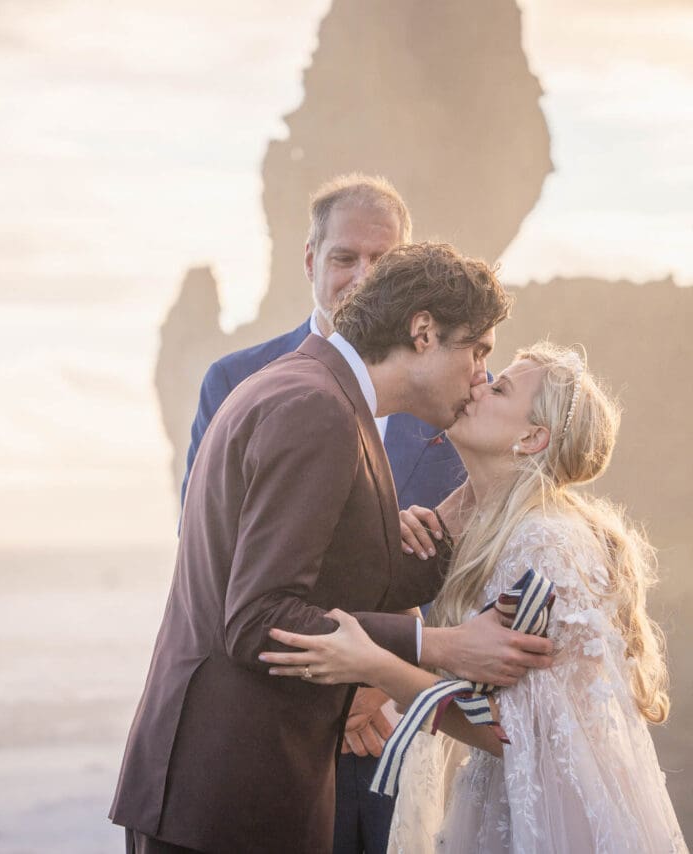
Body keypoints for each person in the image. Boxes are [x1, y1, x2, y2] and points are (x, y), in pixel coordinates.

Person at [110, 242, 555, 854]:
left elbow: (337, 583)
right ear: (423, 332)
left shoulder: (320, 391)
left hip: (235, 793)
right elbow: (259, 621)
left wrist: (475, 496)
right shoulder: (316, 409)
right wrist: (441, 645)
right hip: (224, 802)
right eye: (477, 350)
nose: (480, 374)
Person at [262, 341, 689, 853]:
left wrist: (375, 664)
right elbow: (486, 697)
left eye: (500, 388)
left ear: (533, 437)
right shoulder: (497, 532)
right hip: (499, 806)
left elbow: (512, 733)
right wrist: (397, 567)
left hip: (552, 825)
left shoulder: (544, 542)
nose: (478, 385)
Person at [179, 174, 472, 854]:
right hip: (274, 723)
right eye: (345, 258)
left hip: (399, 728)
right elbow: (213, 551)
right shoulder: (237, 380)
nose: (363, 277)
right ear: (311, 260)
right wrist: (348, 676)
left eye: (384, 260)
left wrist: (379, 680)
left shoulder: (449, 392)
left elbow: (457, 560)